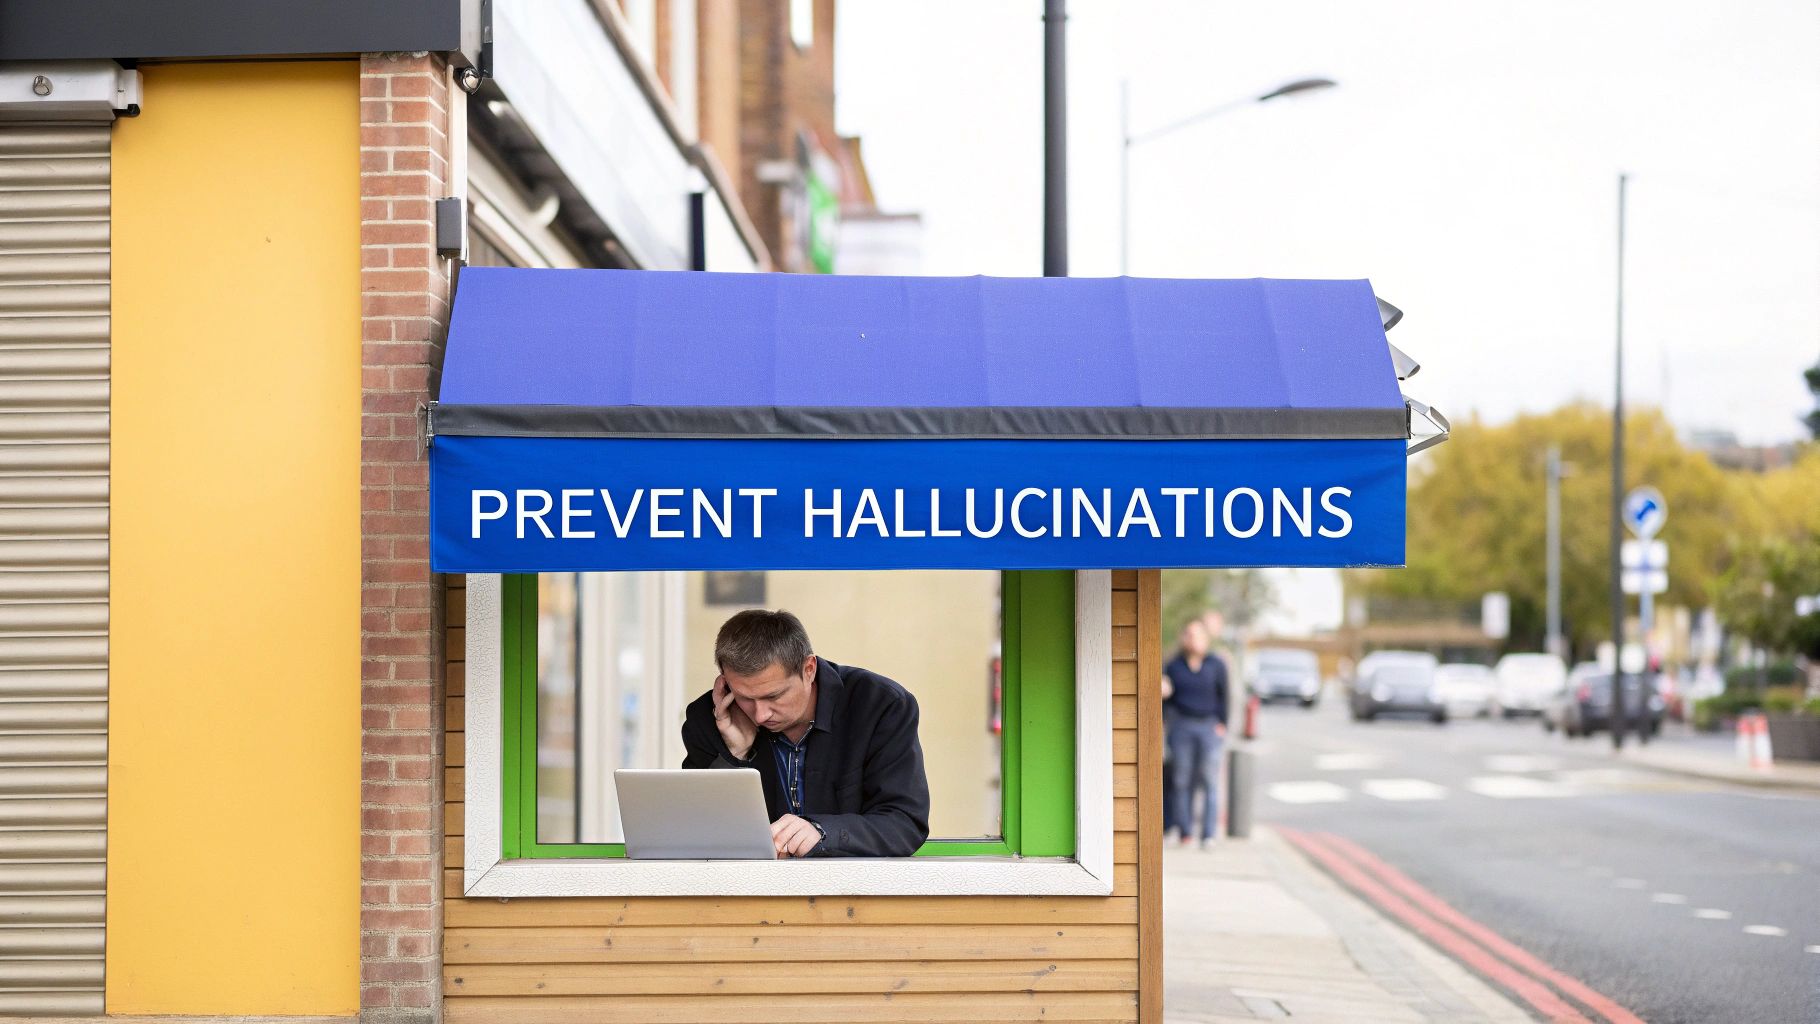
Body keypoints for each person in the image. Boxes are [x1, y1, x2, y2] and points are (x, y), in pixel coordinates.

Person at [681, 609, 931, 858]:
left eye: (773, 696)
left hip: (853, 891)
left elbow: (904, 824)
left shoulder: (879, 705)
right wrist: (734, 757)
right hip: (747, 892)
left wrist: (823, 832)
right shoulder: (708, 718)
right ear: (725, 683)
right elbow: (694, 833)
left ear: (809, 669)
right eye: (745, 698)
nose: (760, 715)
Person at [1164, 619, 1229, 847]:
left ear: (1206, 639)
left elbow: (1224, 695)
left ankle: (1208, 834)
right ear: (1183, 638)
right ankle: (1185, 831)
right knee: (1182, 780)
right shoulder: (1173, 666)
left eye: (1198, 635)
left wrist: (1222, 723)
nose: (1193, 639)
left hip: (1209, 726)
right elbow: (1166, 699)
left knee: (1210, 780)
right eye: (1189, 634)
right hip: (1182, 725)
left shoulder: (1216, 664)